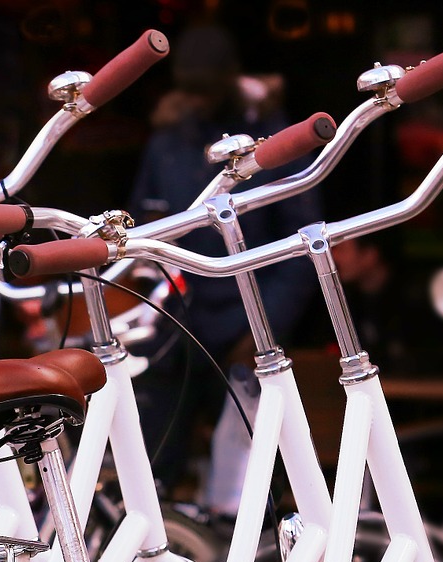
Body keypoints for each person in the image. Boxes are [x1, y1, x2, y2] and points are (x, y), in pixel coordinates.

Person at [127, 24, 322, 491]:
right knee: (152, 463)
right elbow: (139, 231)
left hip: (247, 319)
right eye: (188, 90)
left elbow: (301, 244)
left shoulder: (271, 140)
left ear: (229, 79)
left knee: (252, 478)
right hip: (180, 318)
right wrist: (149, 308)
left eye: (205, 90)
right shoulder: (168, 141)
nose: (197, 101)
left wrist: (264, 326)